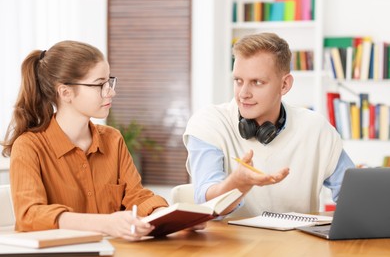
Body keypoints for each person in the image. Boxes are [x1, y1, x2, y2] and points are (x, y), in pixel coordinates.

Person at [1, 40, 169, 241]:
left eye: (109, 82)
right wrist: (106, 224)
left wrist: (170, 217)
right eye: (100, 84)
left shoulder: (112, 139)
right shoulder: (29, 146)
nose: (111, 91)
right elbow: (30, 215)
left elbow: (138, 197)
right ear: (65, 92)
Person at [183, 32, 355, 218]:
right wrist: (237, 184)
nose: (243, 94)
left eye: (257, 82)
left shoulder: (316, 128)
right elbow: (207, 205)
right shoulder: (209, 123)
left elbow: (355, 196)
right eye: (238, 81)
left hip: (298, 244)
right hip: (231, 245)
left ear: (284, 85)